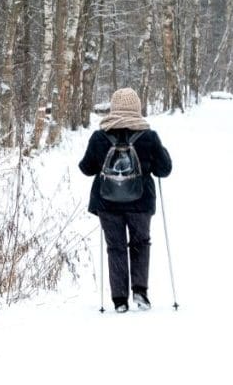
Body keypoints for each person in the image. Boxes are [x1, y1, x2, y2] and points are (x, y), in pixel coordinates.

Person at [79, 87, 172, 313]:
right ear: (136, 109)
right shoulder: (149, 136)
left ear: (113, 108)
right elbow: (164, 169)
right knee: (141, 243)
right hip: (140, 202)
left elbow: (86, 168)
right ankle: (140, 291)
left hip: (107, 202)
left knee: (115, 247)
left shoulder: (100, 136)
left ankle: (119, 300)